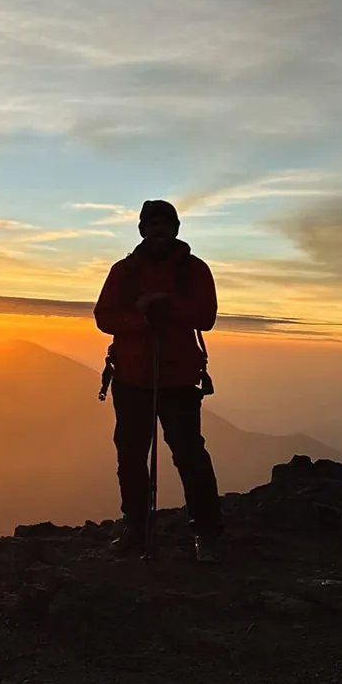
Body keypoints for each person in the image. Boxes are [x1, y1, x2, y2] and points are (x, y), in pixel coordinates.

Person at [94, 199, 224, 563]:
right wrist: (144, 317)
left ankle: (206, 532)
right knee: (133, 455)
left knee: (188, 454)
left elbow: (206, 316)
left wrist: (164, 307)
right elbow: (104, 317)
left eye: (165, 225)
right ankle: (137, 527)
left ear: (176, 229)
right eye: (152, 226)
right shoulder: (124, 271)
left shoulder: (195, 271)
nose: (158, 232)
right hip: (135, 377)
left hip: (177, 378)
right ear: (142, 230)